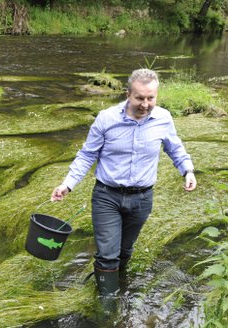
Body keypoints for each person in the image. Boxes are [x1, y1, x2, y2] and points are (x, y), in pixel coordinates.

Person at [50, 68, 197, 296]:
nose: (145, 104)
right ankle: (108, 305)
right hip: (107, 196)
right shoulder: (107, 118)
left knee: (124, 251)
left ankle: (117, 282)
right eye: (140, 97)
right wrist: (67, 184)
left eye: (151, 98)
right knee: (108, 254)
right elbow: (87, 154)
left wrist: (187, 170)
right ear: (128, 93)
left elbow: (174, 148)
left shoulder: (163, 118)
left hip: (142, 199)